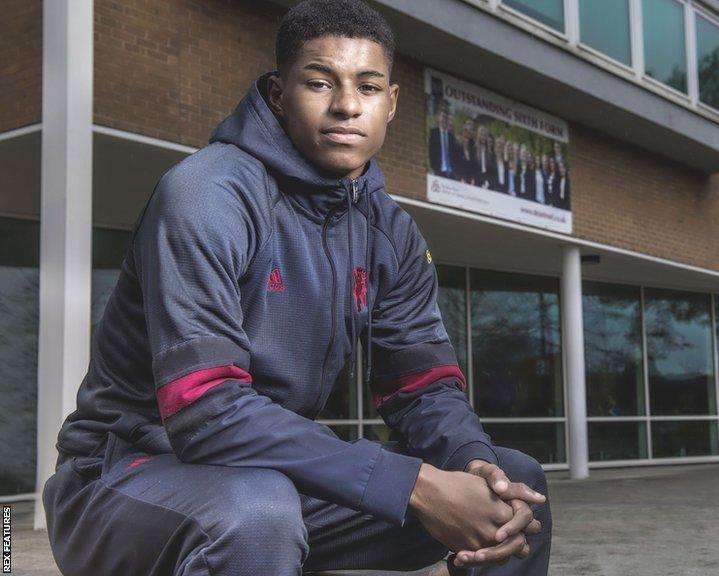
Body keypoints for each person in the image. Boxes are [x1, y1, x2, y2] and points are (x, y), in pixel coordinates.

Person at [41, 1, 551, 575]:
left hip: (271, 476)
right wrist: (414, 484)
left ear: (392, 103)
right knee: (258, 513)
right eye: (318, 82)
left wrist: (473, 463)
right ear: (279, 95)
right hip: (123, 477)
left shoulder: (391, 234)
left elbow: (422, 388)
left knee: (515, 493)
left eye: (368, 86)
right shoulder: (209, 194)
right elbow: (205, 410)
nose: (346, 105)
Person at [428, 99, 460, 179]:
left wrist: (455, 170)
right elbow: (431, 151)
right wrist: (434, 167)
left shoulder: (451, 136)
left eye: (445, 117)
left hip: (451, 172)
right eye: (442, 117)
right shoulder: (434, 133)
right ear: (438, 118)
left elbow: (455, 155)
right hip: (439, 170)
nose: (443, 119)